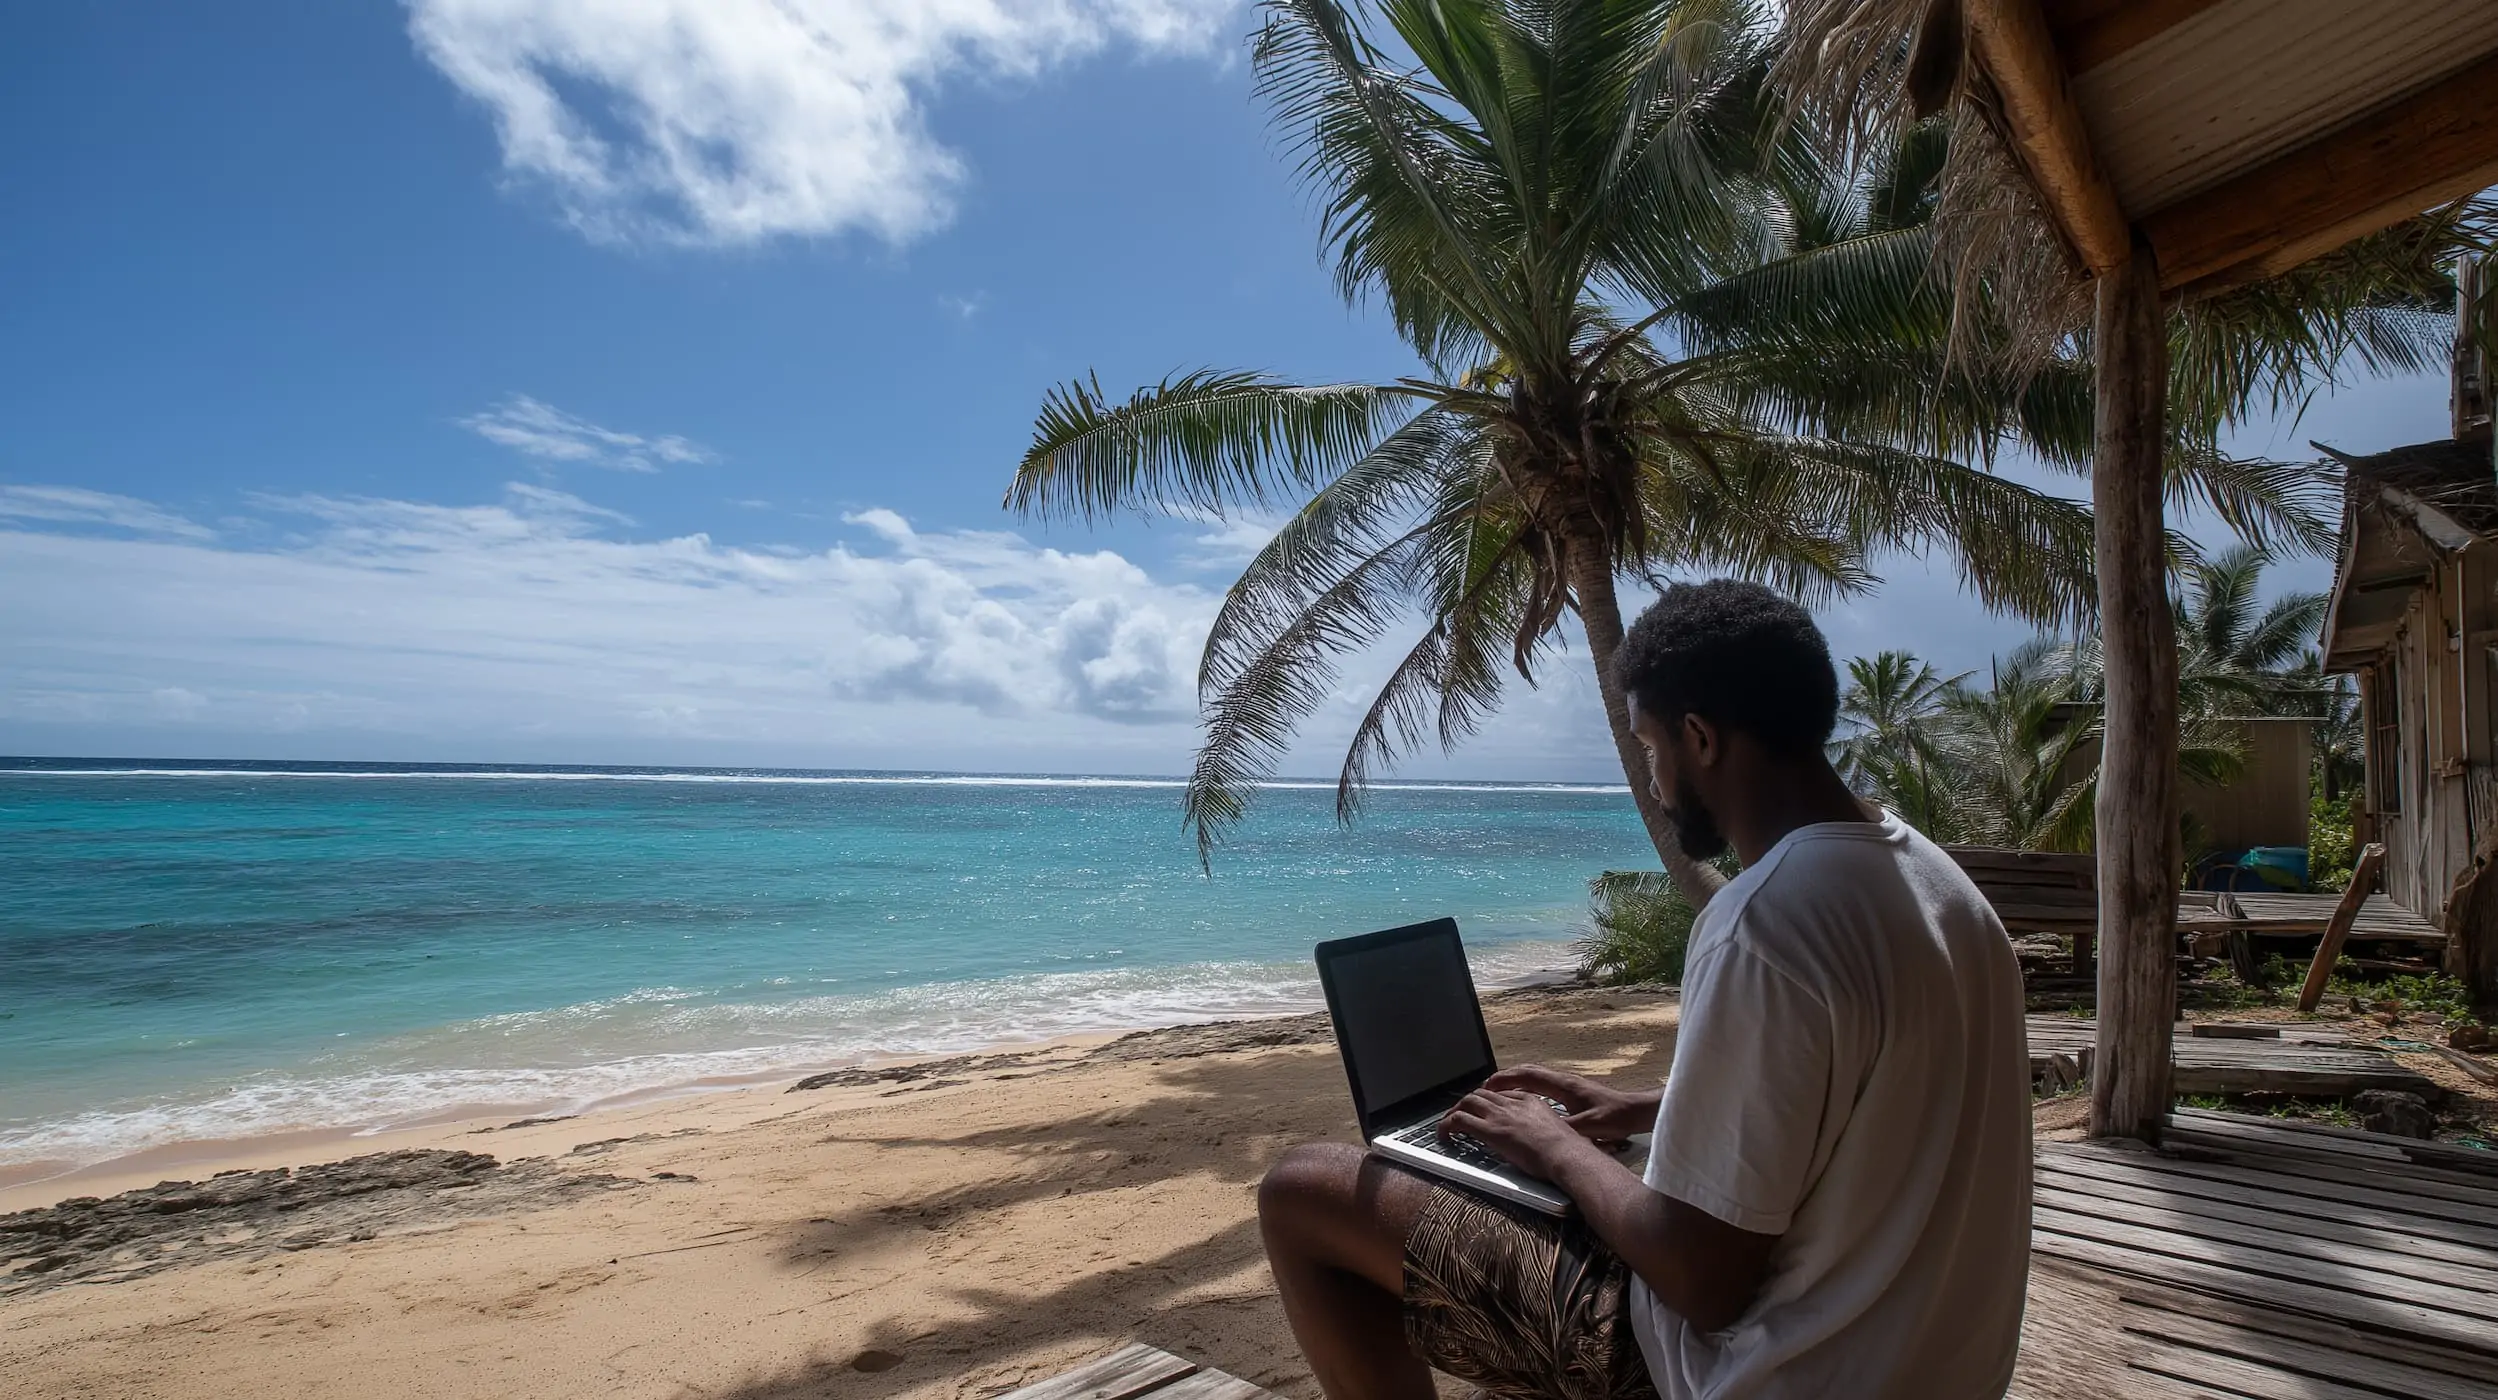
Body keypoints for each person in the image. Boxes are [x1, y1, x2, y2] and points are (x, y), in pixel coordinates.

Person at [1257, 580, 2031, 1400]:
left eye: (1651, 748)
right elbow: (1871, 1096)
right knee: (1516, 1177)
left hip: (1763, 1370)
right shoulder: (1936, 884)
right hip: (1933, 1365)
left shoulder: (1765, 925)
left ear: (1699, 738)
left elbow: (1702, 1283)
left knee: (1304, 1189)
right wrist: (1653, 1107)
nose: (1655, 782)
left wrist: (1552, 1145)